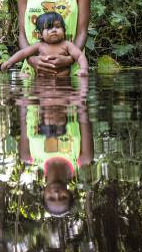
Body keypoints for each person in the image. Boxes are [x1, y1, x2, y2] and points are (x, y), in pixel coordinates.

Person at [17, 79, 93, 216]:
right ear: (70, 193)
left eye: (51, 198)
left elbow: (23, 115)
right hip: (69, 87)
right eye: (63, 198)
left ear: (43, 194)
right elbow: (83, 114)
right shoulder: (83, 157)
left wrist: (31, 91)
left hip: (35, 87)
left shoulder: (27, 155)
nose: (57, 194)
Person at [1, 12, 89, 76]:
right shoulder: (39, 46)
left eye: (58, 27)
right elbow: (23, 53)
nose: (54, 30)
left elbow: (80, 56)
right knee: (23, 79)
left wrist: (84, 69)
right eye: (48, 28)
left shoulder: (67, 45)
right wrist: (10, 62)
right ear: (40, 35)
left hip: (64, 83)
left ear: (64, 31)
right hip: (41, 84)